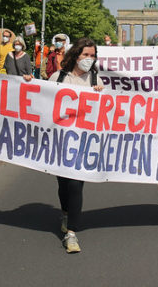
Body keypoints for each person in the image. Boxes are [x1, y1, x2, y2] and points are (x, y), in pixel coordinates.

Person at [48, 38, 104, 253]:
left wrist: (101, 94)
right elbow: (42, 101)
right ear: (75, 55)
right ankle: (65, 213)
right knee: (63, 185)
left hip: (84, 143)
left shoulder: (96, 80)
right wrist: (27, 83)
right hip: (61, 142)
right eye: (85, 55)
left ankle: (71, 233)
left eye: (92, 55)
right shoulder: (58, 77)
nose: (89, 59)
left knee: (75, 185)